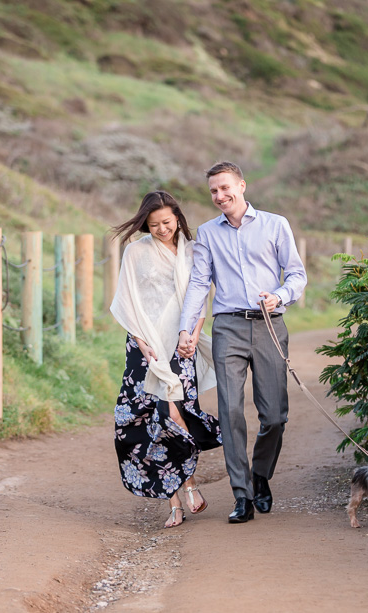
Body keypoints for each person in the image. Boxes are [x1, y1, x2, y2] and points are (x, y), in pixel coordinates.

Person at [177, 161, 306, 524]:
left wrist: (279, 296)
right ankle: (241, 495)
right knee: (231, 410)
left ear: (242, 186)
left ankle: (260, 474)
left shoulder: (275, 225)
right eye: (213, 191)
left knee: (275, 416)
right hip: (228, 328)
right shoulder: (206, 234)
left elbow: (296, 274)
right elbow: (200, 285)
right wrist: (186, 329)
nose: (220, 196)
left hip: (269, 325)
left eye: (225, 188)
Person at [110, 190, 222, 529]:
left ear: (178, 218)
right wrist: (143, 344)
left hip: (180, 344)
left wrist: (190, 334)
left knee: (180, 413)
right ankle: (176, 499)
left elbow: (200, 296)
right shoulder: (135, 252)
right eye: (154, 224)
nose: (162, 229)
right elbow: (127, 300)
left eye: (168, 222)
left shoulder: (192, 250)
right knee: (156, 419)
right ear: (145, 223)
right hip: (145, 348)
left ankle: (186, 485)